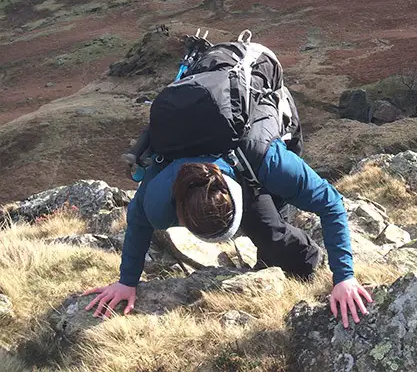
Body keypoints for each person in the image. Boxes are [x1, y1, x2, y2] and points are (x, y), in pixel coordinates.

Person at [82, 137, 372, 328]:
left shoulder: (268, 160)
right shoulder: (155, 200)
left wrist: (343, 277)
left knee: (273, 233)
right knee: (269, 234)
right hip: (209, 171)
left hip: (246, 162)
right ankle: (270, 262)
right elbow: (137, 227)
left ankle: (306, 261)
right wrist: (126, 282)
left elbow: (331, 202)